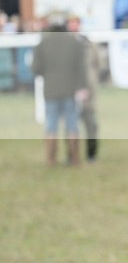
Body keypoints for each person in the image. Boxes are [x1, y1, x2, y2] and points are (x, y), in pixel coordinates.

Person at [32, 21, 87, 166]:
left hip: (51, 91)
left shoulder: (43, 44)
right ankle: (75, 158)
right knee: (72, 125)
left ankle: (51, 159)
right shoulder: (74, 43)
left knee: (51, 126)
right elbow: (81, 67)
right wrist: (82, 87)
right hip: (70, 90)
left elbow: (36, 68)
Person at [67, 15, 102, 162]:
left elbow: (97, 64)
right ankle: (72, 155)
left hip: (88, 92)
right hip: (69, 90)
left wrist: (91, 82)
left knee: (91, 124)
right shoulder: (64, 45)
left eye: (76, 23)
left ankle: (91, 154)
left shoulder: (88, 44)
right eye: (71, 23)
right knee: (71, 124)